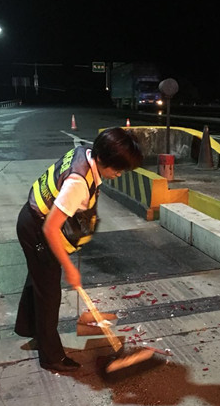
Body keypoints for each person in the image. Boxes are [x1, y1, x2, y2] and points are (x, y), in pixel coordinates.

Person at [15, 127, 143, 373]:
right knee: (49, 295)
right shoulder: (77, 184)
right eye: (117, 169)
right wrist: (69, 268)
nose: (118, 174)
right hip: (38, 229)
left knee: (38, 281)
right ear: (102, 158)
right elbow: (51, 228)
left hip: (32, 218)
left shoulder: (85, 152)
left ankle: (29, 327)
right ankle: (51, 357)